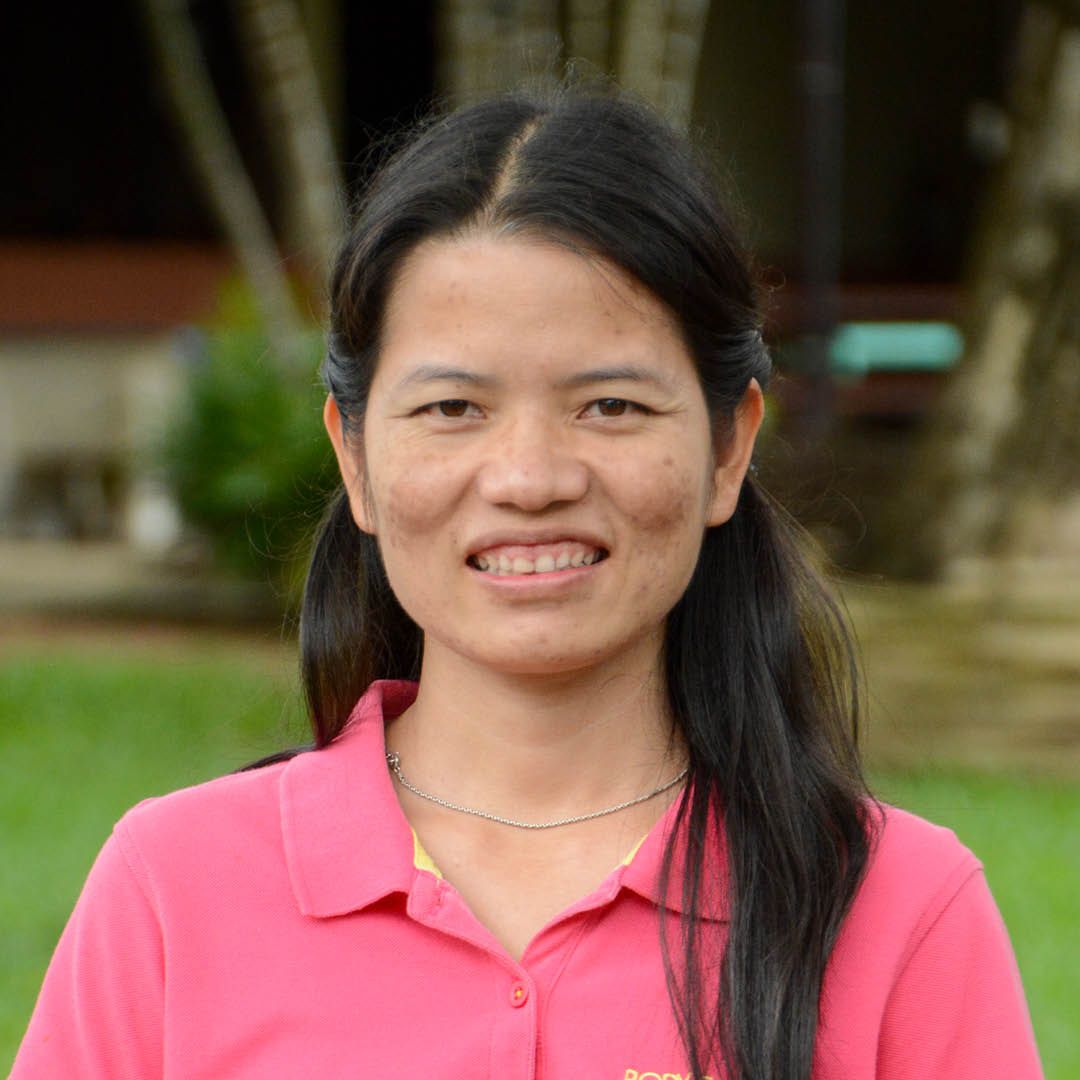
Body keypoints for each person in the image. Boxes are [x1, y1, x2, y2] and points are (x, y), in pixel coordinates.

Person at [13, 89, 1042, 1080]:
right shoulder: (174, 888)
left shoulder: (898, 907)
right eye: (454, 408)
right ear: (356, 459)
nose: (530, 478)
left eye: (611, 407)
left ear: (730, 447)